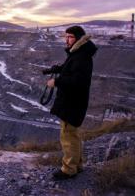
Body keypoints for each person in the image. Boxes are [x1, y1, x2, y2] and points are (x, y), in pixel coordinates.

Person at [44, 26, 97, 180]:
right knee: (73, 135)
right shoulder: (79, 53)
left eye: (70, 37)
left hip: (72, 103)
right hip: (73, 101)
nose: (66, 40)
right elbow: (71, 69)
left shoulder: (81, 56)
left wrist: (57, 81)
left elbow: (78, 81)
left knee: (67, 136)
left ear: (79, 38)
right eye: (65, 37)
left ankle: (68, 169)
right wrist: (57, 69)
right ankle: (77, 165)